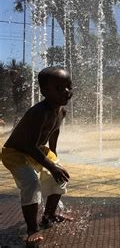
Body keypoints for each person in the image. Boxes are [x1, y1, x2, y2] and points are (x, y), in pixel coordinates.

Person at [1, 67, 73, 246]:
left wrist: (54, 156)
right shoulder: (39, 112)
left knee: (60, 176)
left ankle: (49, 216)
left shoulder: (61, 111)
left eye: (69, 86)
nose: (66, 91)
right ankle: (32, 228)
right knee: (32, 183)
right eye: (58, 88)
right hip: (15, 152)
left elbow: (54, 131)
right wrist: (51, 166)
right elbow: (28, 146)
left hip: (36, 149)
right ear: (44, 91)